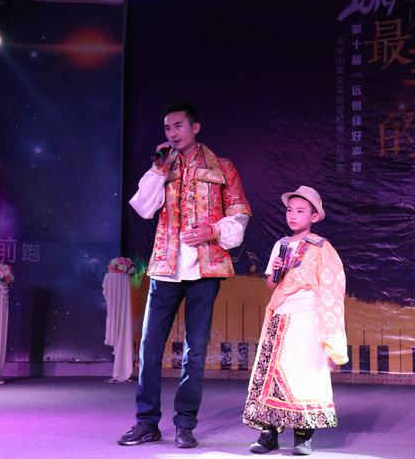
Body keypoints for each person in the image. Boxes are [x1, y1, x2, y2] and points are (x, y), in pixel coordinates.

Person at [119, 102, 252, 449]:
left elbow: (239, 217)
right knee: (149, 348)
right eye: (167, 128)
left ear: (196, 128)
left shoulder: (222, 167)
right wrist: (157, 170)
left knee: (195, 351)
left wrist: (212, 230)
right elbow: (143, 208)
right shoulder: (163, 167)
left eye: (178, 126)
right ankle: (146, 422)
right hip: (166, 268)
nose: (172, 133)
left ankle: (185, 423)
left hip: (204, 269)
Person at [242, 186, 347, 456]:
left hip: (308, 317)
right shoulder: (281, 245)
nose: (293, 215)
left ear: (314, 216)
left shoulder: (322, 248)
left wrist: (327, 329)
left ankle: (303, 435)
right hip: (280, 315)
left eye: (300, 211)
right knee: (271, 372)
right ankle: (268, 433)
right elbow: (271, 284)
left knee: (304, 372)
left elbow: (332, 287)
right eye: (290, 210)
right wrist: (276, 273)